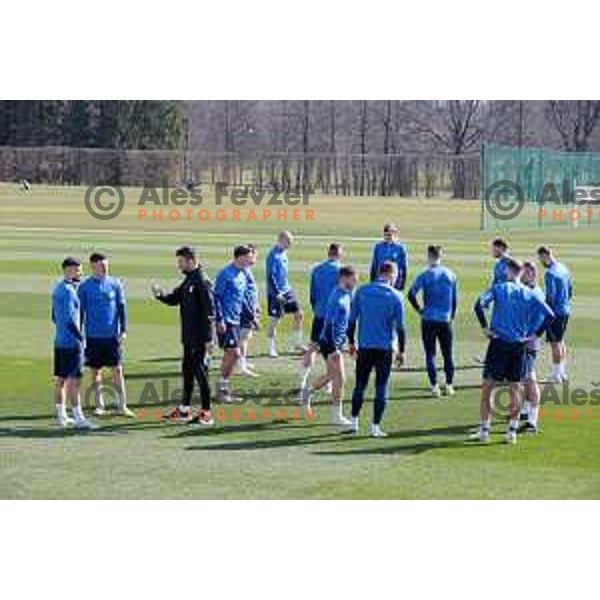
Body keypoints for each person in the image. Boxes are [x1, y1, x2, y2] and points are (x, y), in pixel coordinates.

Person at [473, 258, 553, 445]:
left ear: (508, 271)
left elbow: (478, 304)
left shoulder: (499, 288)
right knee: (515, 389)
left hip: (498, 343)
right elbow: (550, 315)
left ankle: (485, 430)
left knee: (488, 387)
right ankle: (512, 432)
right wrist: (535, 335)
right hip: (520, 346)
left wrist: (485, 327)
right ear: (520, 273)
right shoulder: (530, 293)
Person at [152, 246, 215, 424]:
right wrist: (160, 295)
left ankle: (206, 413)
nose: (178, 265)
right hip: (188, 337)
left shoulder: (202, 281)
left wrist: (209, 339)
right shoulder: (189, 280)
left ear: (191, 261)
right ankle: (184, 410)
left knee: (201, 373)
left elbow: (210, 312)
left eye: (181, 262)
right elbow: (174, 298)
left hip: (199, 338)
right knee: (187, 371)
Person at [347, 261, 406, 437]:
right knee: (381, 387)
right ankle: (375, 427)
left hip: (365, 346)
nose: (396, 279)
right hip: (384, 348)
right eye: (395, 276)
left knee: (360, 385)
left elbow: (351, 321)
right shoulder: (396, 296)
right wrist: (402, 351)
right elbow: (401, 328)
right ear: (390, 274)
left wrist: (351, 343)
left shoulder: (362, 291)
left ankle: (354, 421)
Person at [78, 252, 134, 417]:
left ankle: (122, 405)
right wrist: (80, 336)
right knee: (95, 371)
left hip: (111, 337)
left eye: (106, 265)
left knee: (117, 369)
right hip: (93, 336)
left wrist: (123, 330)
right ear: (93, 267)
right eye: (101, 266)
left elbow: (122, 308)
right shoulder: (84, 287)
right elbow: (80, 313)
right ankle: (99, 405)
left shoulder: (115, 284)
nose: (104, 268)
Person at [306, 266, 358, 426]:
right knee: (340, 378)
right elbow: (329, 325)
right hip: (330, 343)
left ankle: (306, 393)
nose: (356, 283)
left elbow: (347, 323)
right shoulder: (337, 298)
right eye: (353, 279)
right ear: (343, 278)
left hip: (335, 342)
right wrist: (335, 347)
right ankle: (337, 416)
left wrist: (351, 341)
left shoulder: (347, 295)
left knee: (331, 375)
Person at [408, 245, 458, 397]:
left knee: (430, 354)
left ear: (429, 256)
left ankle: (435, 386)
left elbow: (411, 294)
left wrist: (419, 310)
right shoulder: (451, 274)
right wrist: (451, 315)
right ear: (440, 256)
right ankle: (449, 385)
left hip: (428, 318)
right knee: (448, 354)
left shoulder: (425, 274)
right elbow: (454, 300)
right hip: (445, 319)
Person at [51, 257, 95, 429]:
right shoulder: (69, 291)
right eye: (78, 270)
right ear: (68, 270)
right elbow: (70, 320)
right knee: (74, 380)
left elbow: (54, 316)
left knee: (61, 379)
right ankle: (79, 418)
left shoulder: (58, 289)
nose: (81, 273)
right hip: (72, 343)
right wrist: (81, 339)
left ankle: (62, 416)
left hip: (60, 341)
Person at [299, 243, 343, 394]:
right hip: (332, 319)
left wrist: (317, 309)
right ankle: (328, 384)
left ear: (328, 253)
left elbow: (312, 295)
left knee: (312, 348)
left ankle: (302, 381)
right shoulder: (340, 271)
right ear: (339, 254)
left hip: (319, 315)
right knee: (331, 353)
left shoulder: (317, 269)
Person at [213, 245, 254, 402]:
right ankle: (222, 389)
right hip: (227, 320)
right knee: (235, 353)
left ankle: (222, 391)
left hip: (237, 320)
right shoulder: (225, 274)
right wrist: (219, 320)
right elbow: (216, 297)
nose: (251, 260)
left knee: (230, 354)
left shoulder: (243, 274)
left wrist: (251, 317)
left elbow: (242, 299)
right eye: (248, 257)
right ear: (239, 257)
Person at [520, 261, 552, 433]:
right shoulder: (531, 291)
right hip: (525, 342)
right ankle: (525, 412)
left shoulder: (536, 293)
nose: (520, 277)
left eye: (523, 274)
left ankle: (532, 421)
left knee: (530, 380)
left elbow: (549, 317)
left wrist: (535, 334)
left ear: (531, 274)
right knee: (526, 378)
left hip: (529, 344)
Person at [537, 246, 573, 382]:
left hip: (555, 313)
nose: (540, 262)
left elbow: (550, 297)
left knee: (555, 343)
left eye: (541, 258)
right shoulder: (564, 268)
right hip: (565, 309)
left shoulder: (550, 273)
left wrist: (545, 312)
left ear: (545, 256)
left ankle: (557, 375)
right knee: (561, 341)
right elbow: (570, 289)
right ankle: (562, 372)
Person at [265, 230, 304, 357]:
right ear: (281, 240)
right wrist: (277, 293)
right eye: (288, 242)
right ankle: (271, 348)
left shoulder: (284, 253)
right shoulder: (273, 256)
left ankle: (297, 343)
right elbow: (271, 276)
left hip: (287, 290)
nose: (290, 244)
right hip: (276, 293)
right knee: (275, 320)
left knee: (299, 314)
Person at [237, 244, 260, 377]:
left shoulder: (247, 270)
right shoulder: (243, 271)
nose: (254, 259)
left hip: (249, 308)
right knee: (243, 338)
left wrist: (256, 305)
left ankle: (241, 361)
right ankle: (241, 364)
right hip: (244, 310)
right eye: (252, 256)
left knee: (246, 337)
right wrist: (252, 313)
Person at [369, 222, 408, 290]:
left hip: (394, 282)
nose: (388, 237)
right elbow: (374, 265)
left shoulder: (400, 248)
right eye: (386, 235)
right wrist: (372, 281)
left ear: (394, 234)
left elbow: (404, 267)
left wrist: (401, 283)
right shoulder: (378, 247)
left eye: (390, 235)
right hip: (380, 281)